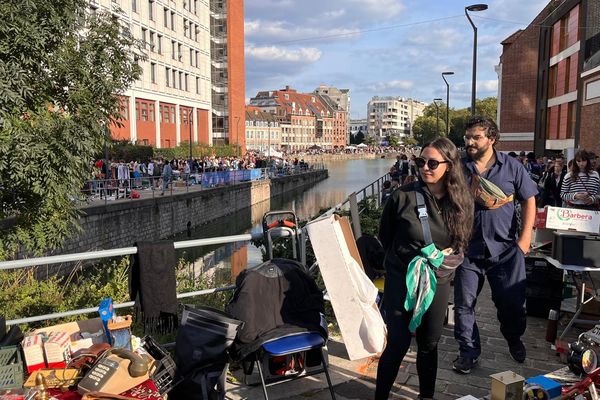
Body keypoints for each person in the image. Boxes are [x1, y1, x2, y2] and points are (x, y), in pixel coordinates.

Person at [377, 138, 474, 400]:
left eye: (433, 163)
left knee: (429, 345)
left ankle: (426, 396)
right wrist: (407, 260)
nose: (425, 167)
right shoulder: (402, 196)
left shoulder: (460, 203)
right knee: (397, 344)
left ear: (449, 166)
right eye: (421, 162)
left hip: (437, 281)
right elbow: (385, 237)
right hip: (402, 279)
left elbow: (461, 242)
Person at [453, 116, 537, 374]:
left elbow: (529, 200)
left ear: (491, 139)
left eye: (476, 137)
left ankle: (513, 338)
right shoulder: (458, 168)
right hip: (468, 250)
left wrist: (524, 240)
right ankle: (468, 351)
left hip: (505, 250)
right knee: (464, 304)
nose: (469, 142)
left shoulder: (512, 167)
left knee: (511, 304)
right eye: (468, 137)